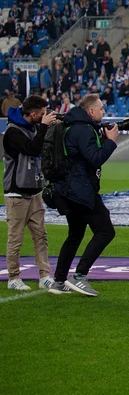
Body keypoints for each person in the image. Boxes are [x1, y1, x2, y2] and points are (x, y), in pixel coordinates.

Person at [50, 95, 119, 296]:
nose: (103, 112)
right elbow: (95, 158)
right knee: (106, 231)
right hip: (80, 190)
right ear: (90, 111)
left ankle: (59, 281)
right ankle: (79, 276)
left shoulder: (73, 125)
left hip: (68, 189)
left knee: (75, 234)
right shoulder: (82, 129)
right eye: (100, 109)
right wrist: (111, 142)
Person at [3, 95, 58, 291]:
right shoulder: (12, 132)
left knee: (41, 236)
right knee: (15, 238)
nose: (44, 116)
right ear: (33, 114)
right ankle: (13, 277)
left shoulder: (34, 127)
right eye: (42, 114)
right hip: (16, 193)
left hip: (34, 191)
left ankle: (44, 275)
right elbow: (32, 148)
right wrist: (44, 127)